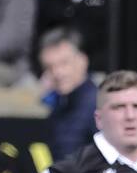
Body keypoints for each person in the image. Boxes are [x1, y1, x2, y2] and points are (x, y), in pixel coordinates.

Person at [38, 27, 98, 160]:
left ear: (83, 61)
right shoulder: (60, 103)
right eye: (49, 67)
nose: (57, 73)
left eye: (64, 63)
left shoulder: (98, 105)